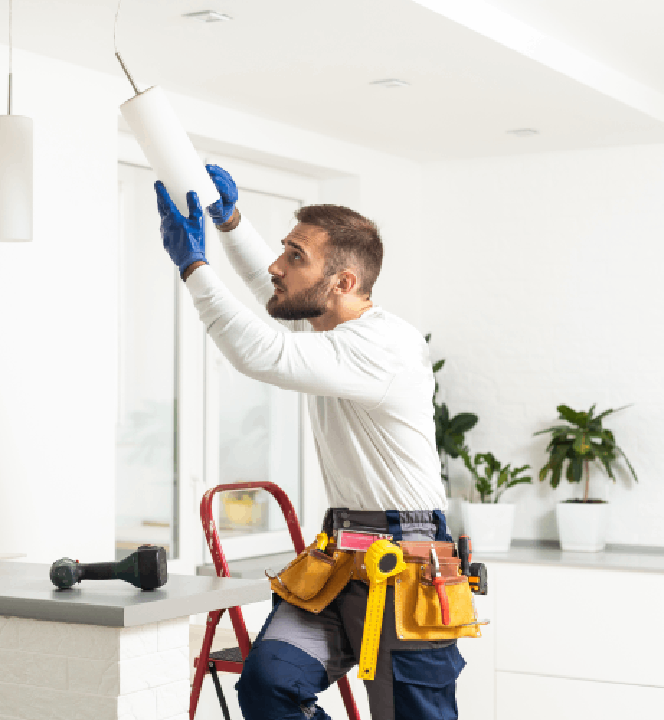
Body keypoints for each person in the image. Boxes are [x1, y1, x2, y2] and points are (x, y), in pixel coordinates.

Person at [154, 165, 465, 720]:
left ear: (343, 282)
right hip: (341, 555)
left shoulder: (382, 345)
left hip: (406, 562)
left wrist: (194, 266)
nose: (278, 266)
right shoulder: (329, 327)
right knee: (270, 686)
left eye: (295, 255)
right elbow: (272, 291)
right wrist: (229, 223)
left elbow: (261, 354)